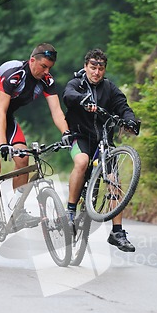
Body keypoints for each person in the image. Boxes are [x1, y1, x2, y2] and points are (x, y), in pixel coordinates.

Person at [0, 43, 71, 240]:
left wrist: (66, 133)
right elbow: (0, 110)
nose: (46, 71)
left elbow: (56, 111)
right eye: (43, 66)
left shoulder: (46, 80)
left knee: (23, 157)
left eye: (50, 68)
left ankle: (17, 210)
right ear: (32, 60)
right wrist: (3, 143)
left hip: (6, 119)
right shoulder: (15, 74)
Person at [62, 48, 139, 252]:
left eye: (101, 68)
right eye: (93, 67)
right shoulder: (77, 83)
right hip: (80, 138)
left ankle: (117, 231)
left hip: (104, 141)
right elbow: (68, 96)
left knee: (114, 179)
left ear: (104, 70)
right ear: (86, 66)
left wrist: (130, 121)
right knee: (82, 162)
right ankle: (70, 211)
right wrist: (82, 100)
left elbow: (123, 106)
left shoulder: (109, 88)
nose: (96, 72)